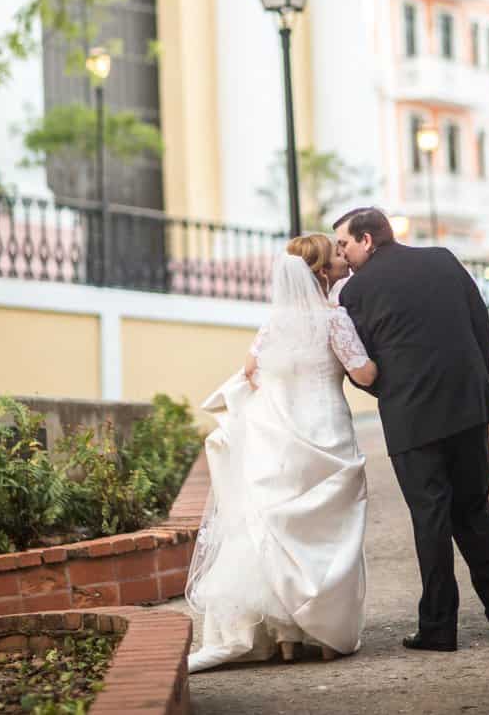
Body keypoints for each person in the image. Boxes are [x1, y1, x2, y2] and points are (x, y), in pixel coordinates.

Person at [333, 207, 489, 653]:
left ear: (366, 240)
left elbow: (361, 363)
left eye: (344, 244)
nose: (341, 254)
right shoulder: (443, 258)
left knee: (431, 519)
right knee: (474, 510)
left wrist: (393, 394)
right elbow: (482, 327)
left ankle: (439, 628)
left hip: (411, 418)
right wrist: (477, 383)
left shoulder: (355, 292)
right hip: (466, 406)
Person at [186, 233, 376, 673]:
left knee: (282, 529)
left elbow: (252, 371)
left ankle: (289, 640)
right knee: (329, 530)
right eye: (335, 257)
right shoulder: (334, 319)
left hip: (281, 435)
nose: (341, 259)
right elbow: (362, 372)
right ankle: (327, 637)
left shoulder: (272, 326)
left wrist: (281, 395)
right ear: (323, 273)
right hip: (327, 429)